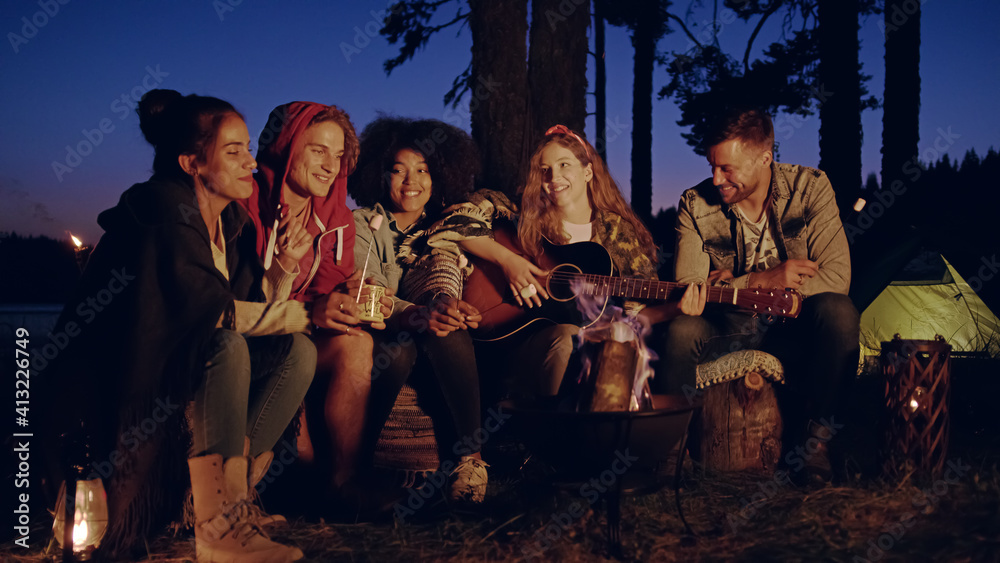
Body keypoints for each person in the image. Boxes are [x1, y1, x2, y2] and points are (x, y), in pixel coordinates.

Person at [40, 89, 314, 562]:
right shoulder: (160, 207)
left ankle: (231, 497)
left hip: (182, 367)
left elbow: (249, 310)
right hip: (118, 381)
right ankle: (218, 527)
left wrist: (286, 265)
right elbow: (208, 314)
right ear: (191, 163)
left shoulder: (233, 224)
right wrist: (293, 313)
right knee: (226, 346)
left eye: (249, 148)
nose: (250, 162)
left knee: (298, 352)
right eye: (234, 151)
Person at [658, 107, 860, 485]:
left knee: (840, 311)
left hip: (794, 328)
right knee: (683, 329)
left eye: (727, 168)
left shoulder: (811, 188)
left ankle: (816, 444)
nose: (716, 178)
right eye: (712, 166)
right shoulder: (696, 204)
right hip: (727, 327)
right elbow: (693, 287)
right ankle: (673, 450)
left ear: (765, 157)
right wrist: (760, 280)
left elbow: (836, 277)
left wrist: (730, 283)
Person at [439, 125, 706, 399]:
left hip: (588, 349)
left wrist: (677, 309)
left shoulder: (617, 233)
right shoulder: (521, 215)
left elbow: (634, 315)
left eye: (564, 164)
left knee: (613, 338)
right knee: (567, 334)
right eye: (544, 169)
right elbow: (454, 220)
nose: (553, 177)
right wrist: (508, 261)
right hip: (517, 343)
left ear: (588, 172)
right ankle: (560, 431)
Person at [243, 102, 392, 507]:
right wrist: (311, 312)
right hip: (254, 339)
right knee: (303, 460)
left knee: (357, 343)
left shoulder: (337, 218)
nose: (331, 166)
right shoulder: (247, 203)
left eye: (339, 155)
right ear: (286, 147)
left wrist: (347, 297)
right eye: (318, 151)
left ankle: (346, 482)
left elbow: (327, 286)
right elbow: (240, 304)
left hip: (303, 336)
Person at [348, 116, 489, 503]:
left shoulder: (451, 225)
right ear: (380, 174)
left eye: (423, 170)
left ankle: (470, 461)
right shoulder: (362, 224)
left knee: (449, 329)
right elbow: (367, 294)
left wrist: (455, 309)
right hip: (377, 333)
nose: (411, 182)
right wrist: (417, 314)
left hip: (437, 341)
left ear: (440, 174)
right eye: (399, 170)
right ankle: (358, 469)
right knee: (397, 352)